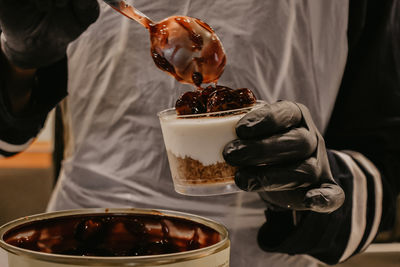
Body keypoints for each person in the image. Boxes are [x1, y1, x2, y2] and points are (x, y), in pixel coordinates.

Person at [0, 0, 398, 266]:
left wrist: (315, 180)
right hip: (77, 243)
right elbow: (10, 131)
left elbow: (381, 157)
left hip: (256, 253)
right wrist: (20, 61)